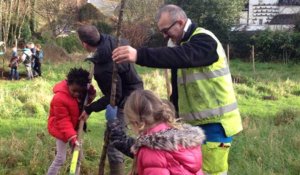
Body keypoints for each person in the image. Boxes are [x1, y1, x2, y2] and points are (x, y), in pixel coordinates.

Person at [112, 4, 243, 175]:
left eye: (166, 31)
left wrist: (139, 55)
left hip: (215, 124)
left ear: (180, 23)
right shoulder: (177, 44)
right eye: (162, 32)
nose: (165, 36)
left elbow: (183, 56)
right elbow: (180, 86)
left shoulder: (204, 40)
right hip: (193, 125)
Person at [77, 25, 143, 175]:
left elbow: (114, 96)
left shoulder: (105, 68)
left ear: (84, 44)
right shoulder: (113, 41)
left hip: (127, 100)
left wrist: (90, 108)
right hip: (135, 90)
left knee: (115, 145)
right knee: (117, 139)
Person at [107, 90, 205, 175]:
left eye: (130, 124)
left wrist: (112, 123)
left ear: (136, 122)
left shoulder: (152, 151)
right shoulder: (183, 140)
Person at [47, 68, 96, 175]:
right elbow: (63, 120)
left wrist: (91, 94)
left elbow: (85, 102)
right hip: (61, 129)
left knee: (77, 156)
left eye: (80, 92)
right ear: (68, 84)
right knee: (61, 158)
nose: (77, 94)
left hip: (74, 128)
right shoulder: (59, 98)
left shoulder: (80, 91)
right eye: (74, 91)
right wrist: (73, 138)